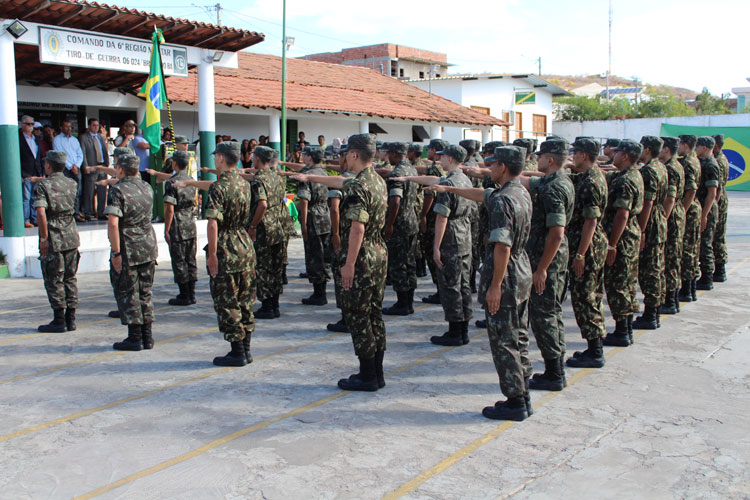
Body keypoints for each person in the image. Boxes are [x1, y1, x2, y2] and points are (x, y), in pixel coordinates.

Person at [428, 145, 533, 420]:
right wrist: (450, 190)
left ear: (504, 167)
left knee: (504, 340)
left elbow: (501, 247)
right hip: (521, 271)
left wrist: (495, 286)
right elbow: (481, 194)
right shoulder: (518, 191)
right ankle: (523, 394)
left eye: (493, 164)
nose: (489, 168)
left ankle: (514, 402)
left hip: (506, 274)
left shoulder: (503, 201)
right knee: (519, 335)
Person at [291, 133, 388, 391]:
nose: (343, 157)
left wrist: (349, 264)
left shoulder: (358, 185)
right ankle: (376, 372)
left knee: (358, 315)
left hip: (362, 254)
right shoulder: (376, 180)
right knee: (373, 314)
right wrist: (309, 177)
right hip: (378, 252)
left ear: (355, 154)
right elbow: (341, 181)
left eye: (346, 153)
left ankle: (367, 376)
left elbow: (357, 228)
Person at [405, 144, 475, 346]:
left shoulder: (448, 186)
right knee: (463, 285)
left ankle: (455, 332)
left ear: (451, 159)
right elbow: (433, 179)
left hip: (450, 238)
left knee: (450, 285)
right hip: (464, 235)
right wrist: (409, 178)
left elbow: (442, 218)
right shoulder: (463, 179)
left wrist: (436, 247)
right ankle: (463, 330)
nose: (440, 159)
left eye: (443, 157)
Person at [519, 139, 575, 391]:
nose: (536, 160)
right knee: (550, 314)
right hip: (550, 259)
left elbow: (557, 233)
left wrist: (541, 268)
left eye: (540, 157)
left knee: (545, 316)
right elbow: (527, 181)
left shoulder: (554, 189)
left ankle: (554, 373)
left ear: (550, 160)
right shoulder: (557, 180)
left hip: (548, 262)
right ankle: (556, 369)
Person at [205, 141, 256, 366]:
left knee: (227, 300)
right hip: (243, 244)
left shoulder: (219, 186)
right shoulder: (244, 184)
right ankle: (245, 349)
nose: (214, 159)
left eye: (216, 156)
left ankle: (237, 351)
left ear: (222, 159)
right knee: (245, 298)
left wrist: (212, 254)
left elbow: (213, 223)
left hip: (226, 244)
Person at [104, 153, 158, 351]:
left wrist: (116, 253)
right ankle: (147, 336)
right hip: (148, 246)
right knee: (145, 292)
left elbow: (113, 222)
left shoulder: (117, 190)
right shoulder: (147, 187)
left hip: (129, 247)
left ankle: (135, 337)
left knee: (128, 293)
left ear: (120, 169)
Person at [563, 138, 609, 369]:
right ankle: (594, 346)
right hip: (590, 244)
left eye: (575, 153)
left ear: (584, 155)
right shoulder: (592, 175)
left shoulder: (591, 182)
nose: (572, 157)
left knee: (585, 297)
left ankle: (595, 351)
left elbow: (591, 221)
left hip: (588, 246)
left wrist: (580, 254)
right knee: (591, 296)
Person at [602, 139, 644, 347]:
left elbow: (622, 214)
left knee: (618, 285)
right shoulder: (633, 174)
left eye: (617, 153)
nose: (614, 155)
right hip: (630, 236)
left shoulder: (626, 180)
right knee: (627, 283)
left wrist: (612, 244)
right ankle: (625, 329)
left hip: (622, 237)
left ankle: (621, 331)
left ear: (625, 156)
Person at [34, 150, 80, 333]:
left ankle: (59, 319)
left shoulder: (43, 185)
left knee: (54, 279)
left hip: (54, 237)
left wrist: (44, 238)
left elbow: (40, 213)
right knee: (70, 278)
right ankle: (71, 319)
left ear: (49, 165)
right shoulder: (72, 183)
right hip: (71, 235)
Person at [631, 136, 668, 330]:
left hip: (651, 222)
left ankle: (651, 314)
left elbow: (648, 203)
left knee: (649, 270)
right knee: (656, 268)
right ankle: (654, 310)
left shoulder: (649, 171)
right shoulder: (661, 166)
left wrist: (642, 230)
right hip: (659, 219)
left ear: (647, 150)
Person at [248, 146, 287, 320]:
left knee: (263, 267)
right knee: (276, 267)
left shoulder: (259, 179)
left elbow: (262, 204)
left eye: (253, 157)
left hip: (265, 227)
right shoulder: (277, 176)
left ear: (258, 158)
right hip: (279, 225)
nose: (252, 159)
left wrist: (253, 226)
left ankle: (267, 306)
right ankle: (275, 304)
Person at [383, 142, 419, 316]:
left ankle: (403, 303)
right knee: (409, 262)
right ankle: (408, 301)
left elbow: (395, 200)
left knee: (399, 264)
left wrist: (389, 224)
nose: (387, 157)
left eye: (389, 153)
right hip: (412, 220)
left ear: (395, 154)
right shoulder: (412, 169)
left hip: (400, 223)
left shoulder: (398, 172)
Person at [295, 146, 332, 305]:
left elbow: (304, 200)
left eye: (304, 155)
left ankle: (319, 294)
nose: (302, 157)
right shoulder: (323, 173)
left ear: (310, 157)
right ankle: (321, 290)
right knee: (323, 255)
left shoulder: (307, 176)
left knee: (314, 256)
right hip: (325, 215)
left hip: (313, 217)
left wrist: (303, 224)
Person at [325, 145, 355, 333]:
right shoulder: (362, 178)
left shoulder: (341, 180)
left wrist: (335, 234)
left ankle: (346, 318)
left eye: (339, 156)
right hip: (357, 234)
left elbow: (334, 208)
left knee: (342, 276)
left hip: (344, 234)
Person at [163, 150, 198, 306]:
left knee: (179, 260)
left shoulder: (172, 182)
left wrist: (166, 229)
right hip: (190, 222)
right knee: (190, 259)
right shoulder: (190, 180)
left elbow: (170, 208)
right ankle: (191, 293)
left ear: (175, 163)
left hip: (177, 223)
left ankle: (184, 294)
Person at [418, 139, 447, 304]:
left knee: (432, 254)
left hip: (433, 217)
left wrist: (423, 215)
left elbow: (430, 194)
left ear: (434, 150)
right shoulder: (441, 168)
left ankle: (440, 290)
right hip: (437, 215)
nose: (427, 151)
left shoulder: (435, 168)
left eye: (429, 149)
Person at [658, 136, 685, 315]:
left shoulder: (672, 168)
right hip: (675, 216)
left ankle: (671, 300)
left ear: (666, 149)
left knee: (670, 260)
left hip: (671, 218)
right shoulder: (675, 165)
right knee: (671, 259)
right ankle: (672, 300)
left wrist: (663, 221)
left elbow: (670, 198)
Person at [677, 134, 702, 302]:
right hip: (694, 208)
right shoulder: (694, 160)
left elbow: (691, 189)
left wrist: (683, 212)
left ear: (686, 145)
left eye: (679, 144)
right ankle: (690, 289)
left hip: (690, 209)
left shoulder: (687, 162)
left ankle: (687, 290)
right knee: (691, 250)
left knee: (686, 251)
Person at [695, 136, 720, 291]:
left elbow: (712, 193)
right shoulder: (703, 162)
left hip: (707, 209)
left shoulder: (711, 165)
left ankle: (707, 278)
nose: (696, 149)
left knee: (705, 244)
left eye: (698, 146)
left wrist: (704, 215)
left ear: (704, 147)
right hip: (704, 208)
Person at [52, 120, 85, 222]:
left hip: (76, 168)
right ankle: (67, 213)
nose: (69, 129)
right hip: (65, 169)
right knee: (66, 191)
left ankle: (76, 213)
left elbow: (80, 154)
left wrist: (77, 165)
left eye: (70, 127)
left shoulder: (74, 140)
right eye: (66, 127)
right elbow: (60, 155)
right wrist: (71, 167)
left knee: (77, 191)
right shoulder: (57, 140)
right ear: (61, 128)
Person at [80, 118, 109, 221]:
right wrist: (85, 166)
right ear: (89, 126)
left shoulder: (101, 137)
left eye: (97, 125)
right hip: (91, 166)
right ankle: (88, 212)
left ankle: (101, 212)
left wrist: (106, 164)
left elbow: (105, 151)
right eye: (94, 125)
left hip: (102, 166)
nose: (96, 127)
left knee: (102, 191)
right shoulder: (84, 137)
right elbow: (83, 153)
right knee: (89, 191)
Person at [711, 134, 730, 283]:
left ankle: (720, 269)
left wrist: (713, 206)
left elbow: (717, 188)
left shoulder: (718, 161)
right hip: (720, 199)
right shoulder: (720, 158)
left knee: (717, 235)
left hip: (719, 200)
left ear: (716, 145)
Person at [19, 115, 43, 227]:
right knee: (26, 197)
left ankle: (35, 219)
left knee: (35, 197)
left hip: (36, 171)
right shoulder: (18, 138)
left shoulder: (36, 139)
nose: (30, 126)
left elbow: (40, 156)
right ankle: (26, 219)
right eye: (28, 124)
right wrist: (19, 175)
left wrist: (42, 172)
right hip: (25, 172)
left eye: (32, 124)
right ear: (22, 125)